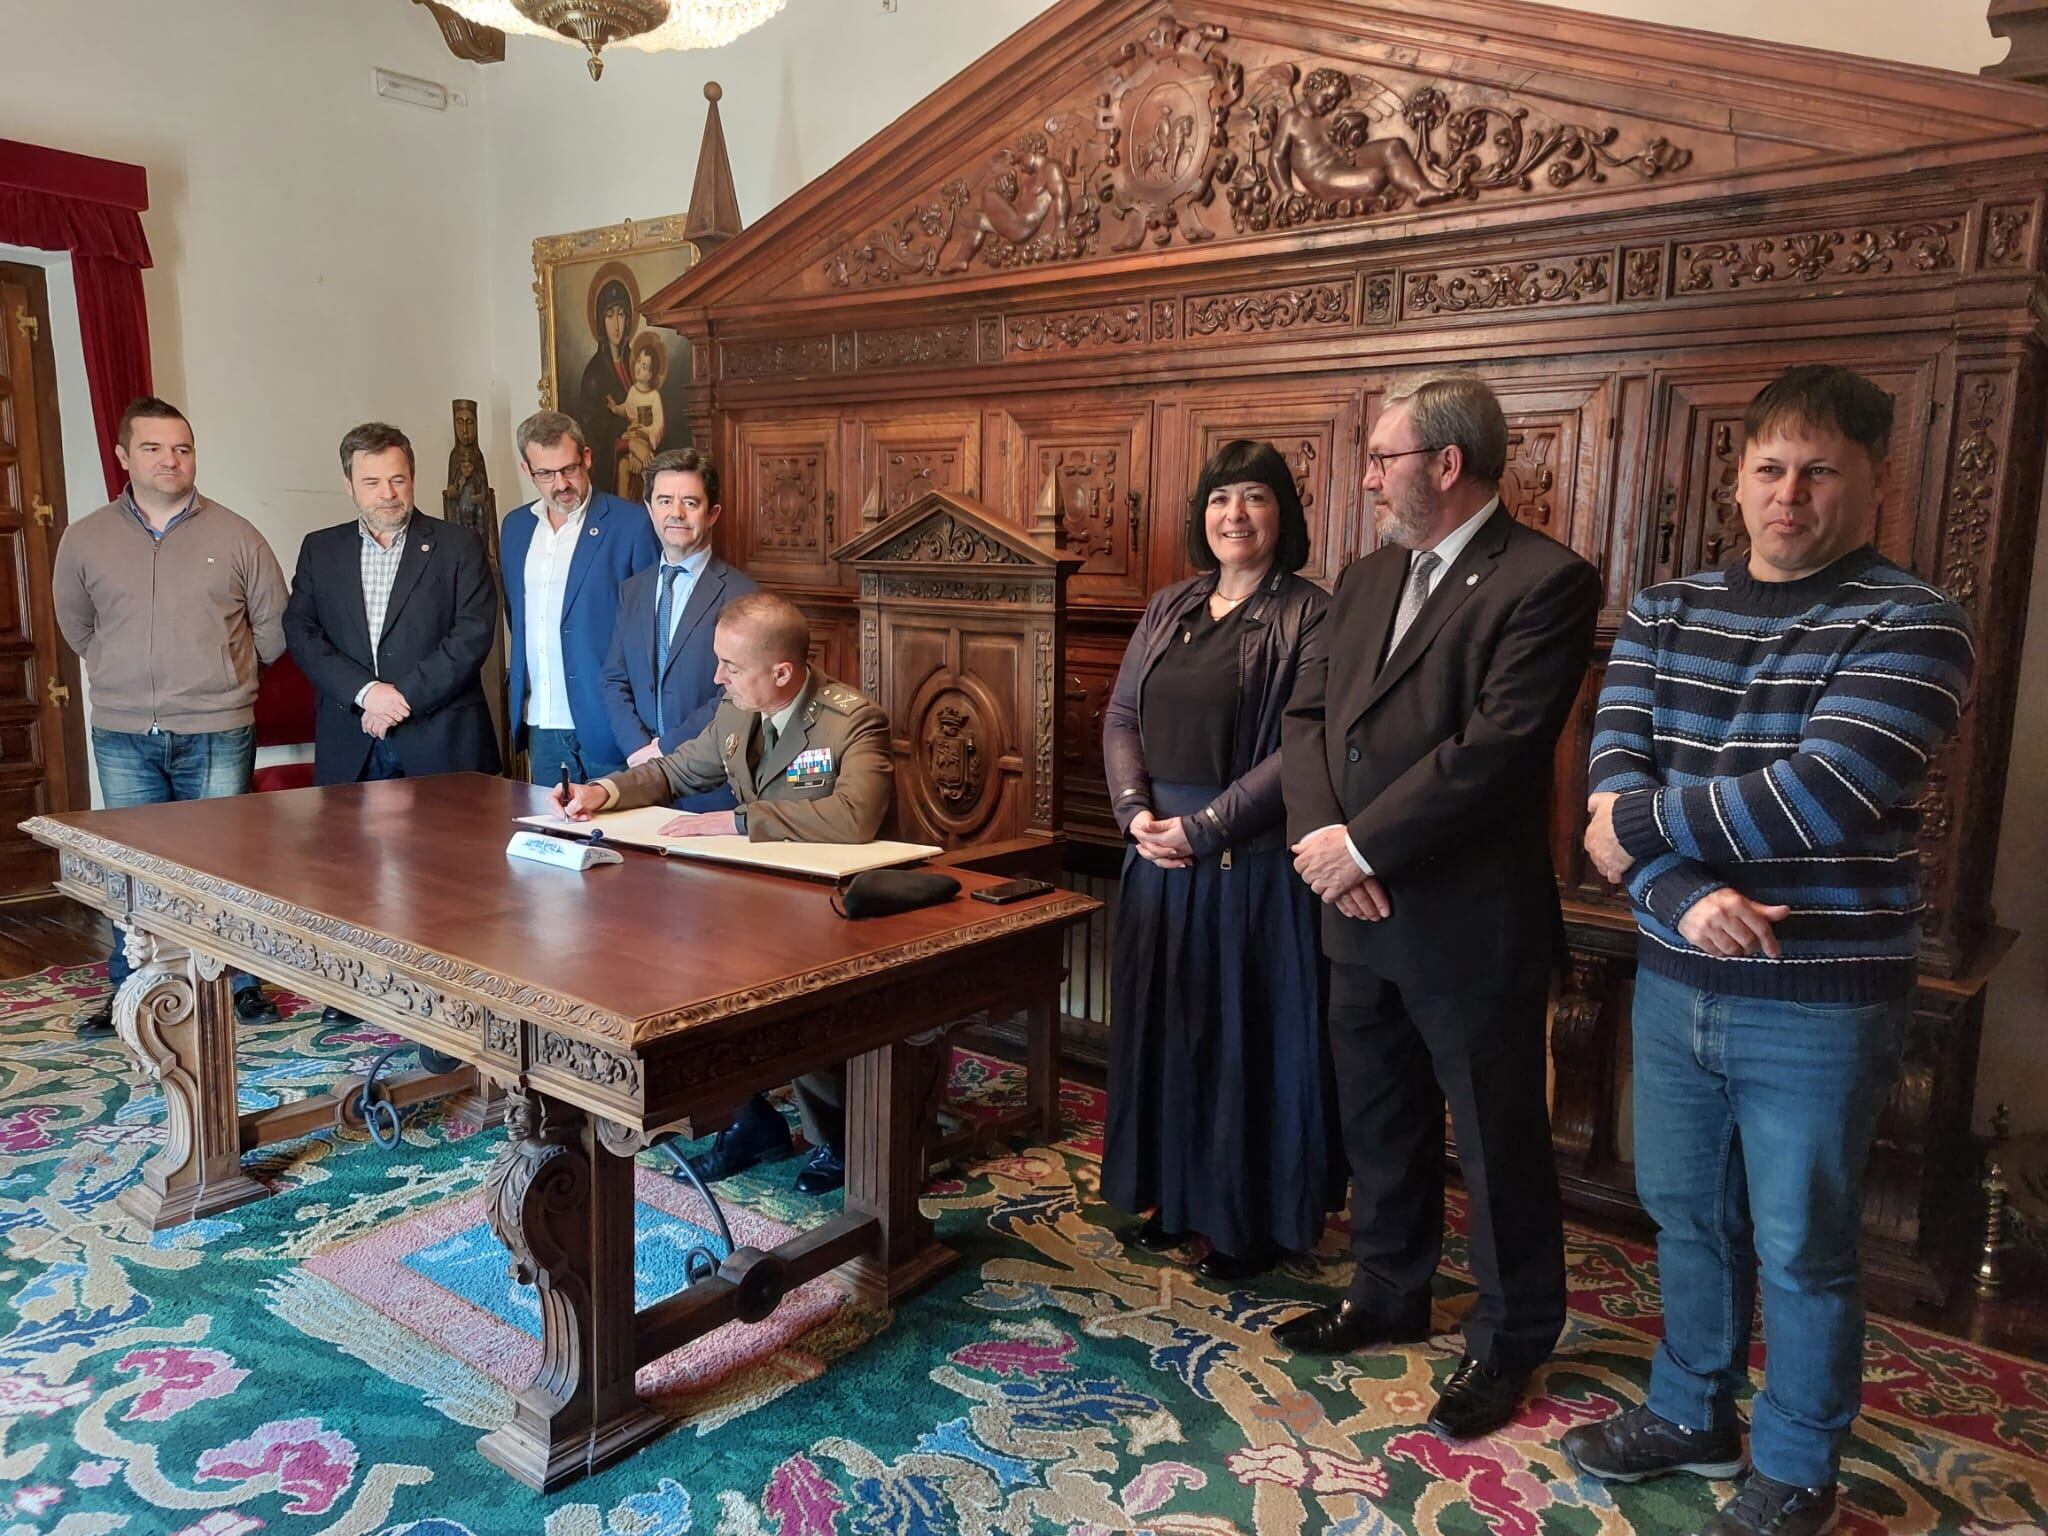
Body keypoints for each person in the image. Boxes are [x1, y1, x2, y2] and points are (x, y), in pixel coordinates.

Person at [1562, 366, 1975, 1536]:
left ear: (1872, 482)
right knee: (1685, 1215)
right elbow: (1615, 759)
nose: (1788, 494)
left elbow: (1824, 795)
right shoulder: (1661, 609)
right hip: (1676, 969)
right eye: (1767, 469)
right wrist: (1676, 890)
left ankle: (1794, 1465)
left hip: (1817, 999)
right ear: (1736, 479)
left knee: (1802, 1246)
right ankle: (1690, 1410)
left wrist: (1628, 836)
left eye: (1818, 470)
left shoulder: (1914, 622)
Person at [1276, 374, 1600, 1440]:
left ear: (1445, 465)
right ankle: (1386, 1291)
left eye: (1382, 458)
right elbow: (1310, 718)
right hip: (1353, 910)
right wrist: (1325, 848)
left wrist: (1361, 844)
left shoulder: (1545, 581)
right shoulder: (1365, 576)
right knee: (1379, 1119)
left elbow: (1496, 752)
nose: (1366, 477)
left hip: (1466, 921)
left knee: (1498, 1144)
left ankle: (1509, 1339)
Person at [553, 591, 893, 1194]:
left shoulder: (851, 720)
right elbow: (677, 771)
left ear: (782, 673)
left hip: (834, 906)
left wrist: (737, 821)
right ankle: (749, 1117)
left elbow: (855, 816)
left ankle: (841, 1138)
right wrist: (603, 791)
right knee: (678, 967)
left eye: (730, 667)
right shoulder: (737, 713)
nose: (717, 677)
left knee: (797, 996)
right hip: (753, 898)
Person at [1099, 439, 1341, 1281]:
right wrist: (1136, 815)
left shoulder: (1312, 613)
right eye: (1219, 499)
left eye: (1255, 498)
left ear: (1284, 514)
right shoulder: (1169, 604)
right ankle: (1173, 1197)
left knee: (1245, 1044)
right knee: (1169, 1035)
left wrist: (1204, 827)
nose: (1234, 515)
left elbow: (1301, 748)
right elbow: (1122, 714)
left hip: (1249, 863)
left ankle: (1248, 1224)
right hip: (1157, 861)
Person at [51, 397, 289, 1036]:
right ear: (124, 456)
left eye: (182, 448)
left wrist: (220, 677)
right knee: (133, 870)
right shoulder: (86, 538)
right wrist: (125, 671)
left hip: (217, 728)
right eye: (153, 448)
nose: (171, 459)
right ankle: (130, 988)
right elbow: (77, 626)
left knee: (226, 867)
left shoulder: (238, 535)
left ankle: (241, 985)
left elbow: (272, 630)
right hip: (124, 731)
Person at [500, 410, 659, 785]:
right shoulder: (516, 527)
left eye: (569, 469)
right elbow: (517, 614)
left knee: (623, 837)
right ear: (527, 470)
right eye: (545, 474)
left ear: (587, 457)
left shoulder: (630, 524)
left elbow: (649, 629)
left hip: (609, 722)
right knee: (550, 837)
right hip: (540, 721)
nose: (560, 484)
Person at [599, 447, 757, 811]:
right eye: (665, 500)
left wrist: (665, 749)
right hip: (639, 779)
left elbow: (738, 693)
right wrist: (640, 751)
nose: (677, 514)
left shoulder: (742, 594)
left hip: (710, 785)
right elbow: (613, 679)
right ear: (649, 508)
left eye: (690, 502)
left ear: (712, 513)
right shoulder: (633, 589)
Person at [577, 272, 636, 494]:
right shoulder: (594, 375)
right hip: (610, 476)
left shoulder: (635, 363)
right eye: (609, 315)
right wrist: (629, 445)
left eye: (621, 315)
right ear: (601, 321)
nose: (616, 324)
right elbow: (595, 437)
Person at [610, 334, 667, 500]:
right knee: (623, 466)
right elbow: (627, 409)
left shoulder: (654, 396)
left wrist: (645, 432)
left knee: (647, 473)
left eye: (644, 366)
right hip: (632, 437)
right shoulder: (633, 391)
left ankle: (649, 504)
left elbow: (659, 425)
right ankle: (622, 507)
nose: (638, 368)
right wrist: (616, 409)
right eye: (638, 362)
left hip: (646, 442)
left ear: (650, 374)